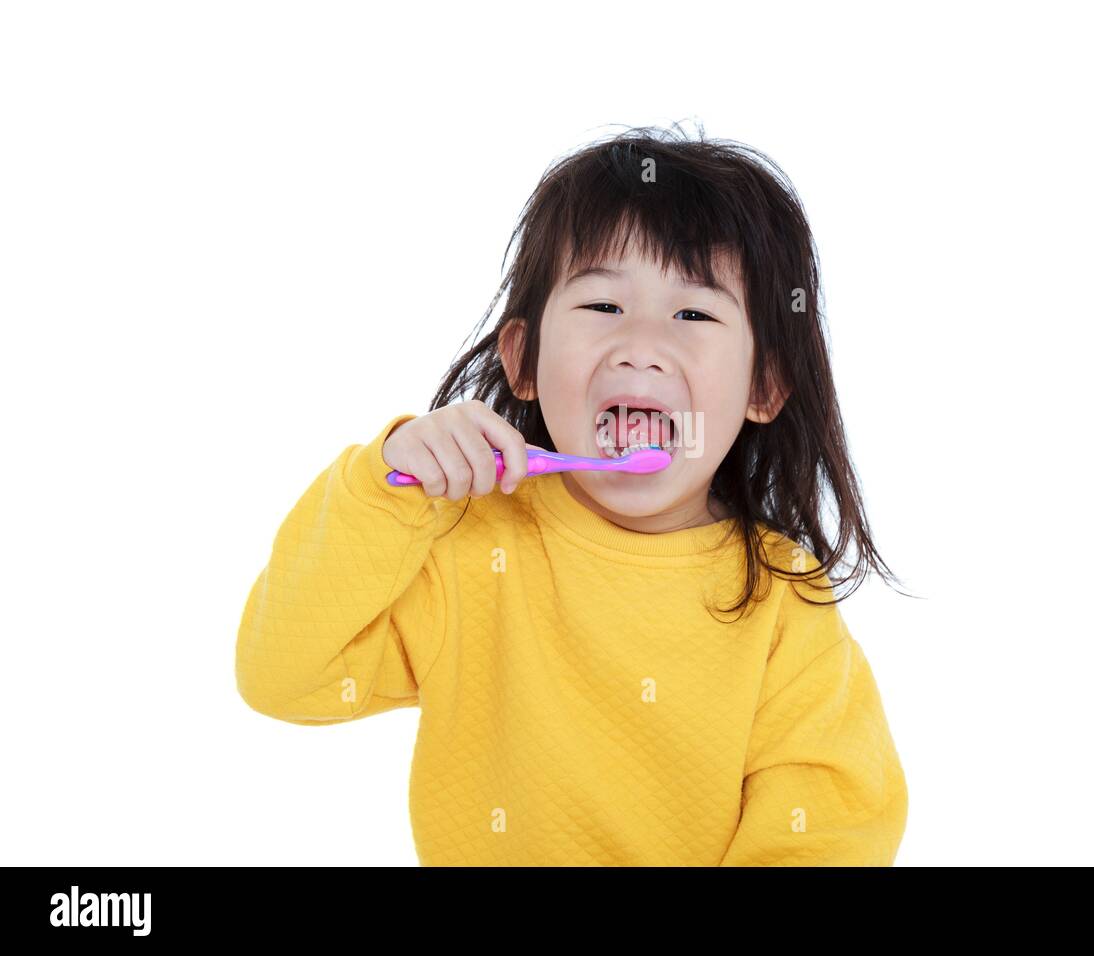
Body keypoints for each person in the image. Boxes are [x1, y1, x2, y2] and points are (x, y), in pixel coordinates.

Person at [236, 125, 911, 866]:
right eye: (602, 308)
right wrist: (382, 488)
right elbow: (282, 677)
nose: (641, 344)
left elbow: (830, 827)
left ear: (763, 385)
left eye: (693, 314)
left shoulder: (783, 605)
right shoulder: (467, 546)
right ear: (522, 360)